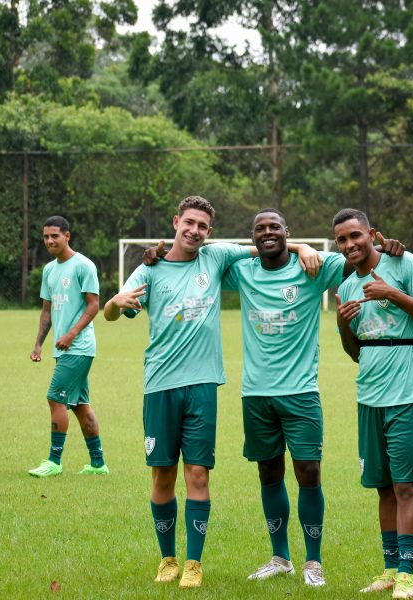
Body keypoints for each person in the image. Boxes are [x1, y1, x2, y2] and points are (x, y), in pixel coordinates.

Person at [103, 197, 319, 589]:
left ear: (210, 232)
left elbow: (266, 245)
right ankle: (167, 558)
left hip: (203, 386)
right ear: (175, 222)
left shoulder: (215, 257)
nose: (195, 231)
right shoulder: (149, 271)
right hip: (160, 386)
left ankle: (193, 563)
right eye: (189, 223)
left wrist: (303, 247)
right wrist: (115, 304)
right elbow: (112, 311)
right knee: (162, 474)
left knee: (198, 474)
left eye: (202, 226)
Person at [221, 208, 404, 587]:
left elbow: (363, 258)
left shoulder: (315, 267)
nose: (267, 233)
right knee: (268, 472)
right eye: (260, 229)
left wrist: (390, 247)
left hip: (301, 393)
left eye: (275, 227)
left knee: (309, 473)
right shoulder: (242, 271)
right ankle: (280, 557)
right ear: (252, 237)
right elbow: (204, 257)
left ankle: (313, 562)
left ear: (288, 231)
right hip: (256, 393)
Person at [332, 208, 413, 600]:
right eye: (342, 240)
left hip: (406, 394)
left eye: (355, 236)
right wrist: (343, 325)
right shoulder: (346, 289)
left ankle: (407, 576)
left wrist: (392, 294)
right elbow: (356, 353)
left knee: (405, 487)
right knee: (382, 488)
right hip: (369, 397)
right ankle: (389, 569)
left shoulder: (403, 263)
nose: (349, 245)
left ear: (371, 233)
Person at [28, 216, 108, 477]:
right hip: (63, 349)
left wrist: (72, 334)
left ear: (67, 236)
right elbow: (46, 311)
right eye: (46, 237)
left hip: (79, 347)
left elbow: (94, 305)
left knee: (55, 398)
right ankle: (98, 465)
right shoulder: (49, 270)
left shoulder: (83, 265)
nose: (50, 241)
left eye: (55, 236)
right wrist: (39, 344)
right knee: (80, 405)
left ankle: (54, 462)